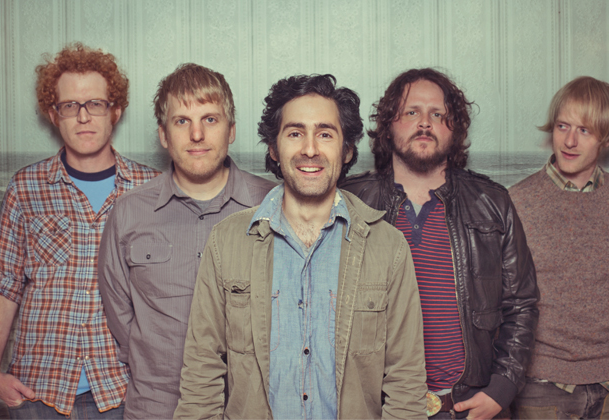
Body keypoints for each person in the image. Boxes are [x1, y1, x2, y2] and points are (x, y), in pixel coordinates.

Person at [173, 74, 427, 419]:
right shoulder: (227, 241)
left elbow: (405, 384)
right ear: (274, 148)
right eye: (295, 133)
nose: (310, 149)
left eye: (325, 134)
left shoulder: (387, 246)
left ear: (347, 149)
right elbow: (201, 377)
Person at [340, 68, 538, 420]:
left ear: (454, 128)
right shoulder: (350, 202)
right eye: (411, 112)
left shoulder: (493, 202)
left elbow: (521, 304)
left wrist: (502, 388)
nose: (424, 123)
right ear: (388, 125)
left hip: (467, 408)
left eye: (437, 114)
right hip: (378, 409)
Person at [0, 43, 159, 419]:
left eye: (95, 103)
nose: (83, 116)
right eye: (69, 106)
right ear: (53, 114)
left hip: (124, 389)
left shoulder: (153, 189)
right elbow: (5, 283)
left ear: (115, 110)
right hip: (36, 391)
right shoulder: (25, 188)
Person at [98, 63, 275, 419]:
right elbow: (120, 314)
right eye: (182, 121)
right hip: (156, 407)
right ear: (164, 135)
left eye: (210, 119)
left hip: (252, 407)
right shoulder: (128, 212)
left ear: (231, 130)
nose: (197, 134)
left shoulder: (272, 205)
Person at [509, 76, 609, 419]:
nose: (570, 141)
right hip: (539, 387)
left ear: (607, 138)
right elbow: (502, 309)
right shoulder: (516, 202)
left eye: (585, 130)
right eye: (563, 126)